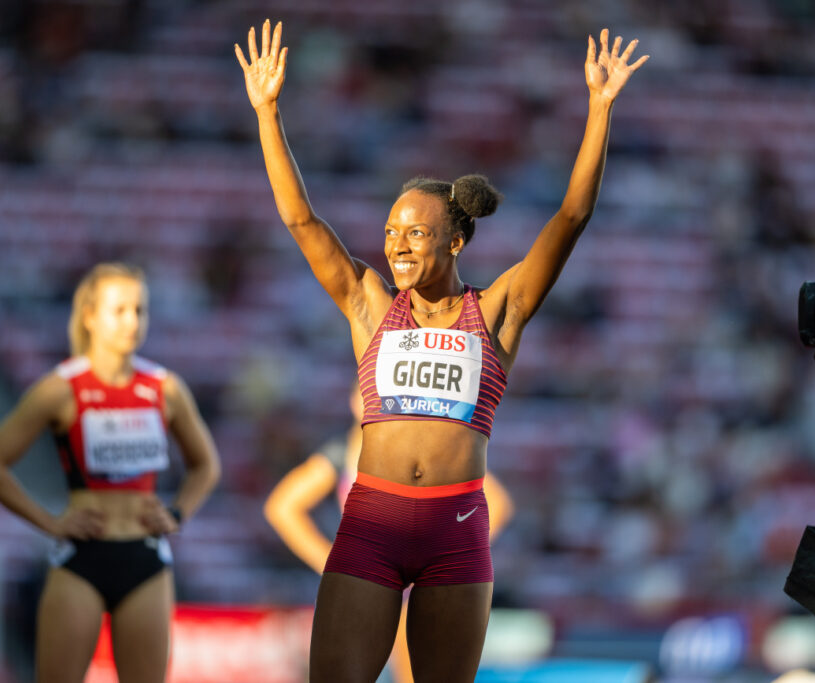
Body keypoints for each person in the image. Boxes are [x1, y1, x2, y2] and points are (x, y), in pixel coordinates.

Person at [236, 19, 647, 681]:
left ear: (454, 241)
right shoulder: (370, 303)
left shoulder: (499, 310)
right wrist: (267, 111)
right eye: (391, 229)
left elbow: (570, 218)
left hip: (457, 531)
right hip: (370, 522)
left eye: (414, 232)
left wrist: (599, 110)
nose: (396, 243)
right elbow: (301, 221)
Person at [0, 262, 221, 683]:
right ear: (90, 316)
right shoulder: (61, 388)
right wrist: (49, 522)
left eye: (139, 310)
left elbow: (207, 466)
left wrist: (178, 514)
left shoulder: (165, 388)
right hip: (80, 558)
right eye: (119, 310)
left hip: (145, 558)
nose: (132, 321)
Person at [263, 383, 514, 683]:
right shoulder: (343, 451)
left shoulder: (422, 445)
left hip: (408, 577)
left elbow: (497, 502)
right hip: (373, 570)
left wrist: (450, 559)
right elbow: (283, 507)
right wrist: (327, 560)